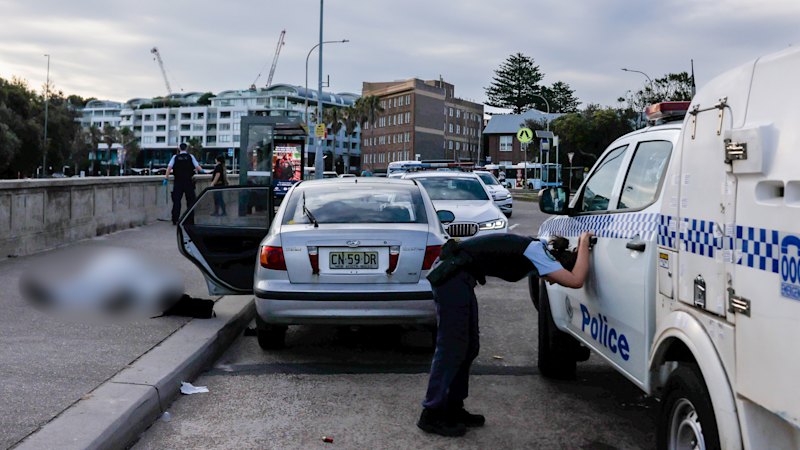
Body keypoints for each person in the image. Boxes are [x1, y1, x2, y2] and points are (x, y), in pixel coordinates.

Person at [418, 231, 594, 437]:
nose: (552, 282)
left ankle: (453, 407)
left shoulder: (539, 250)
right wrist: (584, 243)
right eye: (554, 278)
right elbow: (575, 280)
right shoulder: (540, 255)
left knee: (469, 346)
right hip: (451, 277)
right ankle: (431, 413)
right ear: (557, 264)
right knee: (453, 347)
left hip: (460, 278)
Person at [165, 143, 203, 225]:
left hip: (178, 182)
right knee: (190, 201)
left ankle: (175, 219)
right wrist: (203, 171)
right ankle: (190, 219)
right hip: (188, 181)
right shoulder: (190, 157)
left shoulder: (175, 157)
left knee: (176, 201)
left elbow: (169, 168)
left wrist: (166, 178)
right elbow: (198, 167)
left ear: (179, 149)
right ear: (186, 149)